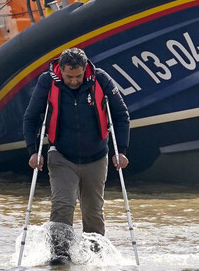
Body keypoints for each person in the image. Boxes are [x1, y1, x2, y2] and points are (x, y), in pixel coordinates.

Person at [22, 48, 130, 237]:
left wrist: (120, 150)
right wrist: (33, 151)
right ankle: (59, 258)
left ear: (85, 68)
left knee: (93, 213)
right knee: (63, 206)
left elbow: (121, 115)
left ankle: (94, 257)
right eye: (68, 76)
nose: (73, 81)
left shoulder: (101, 79)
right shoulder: (47, 82)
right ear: (61, 70)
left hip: (96, 156)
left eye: (78, 76)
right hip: (61, 155)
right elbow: (30, 118)